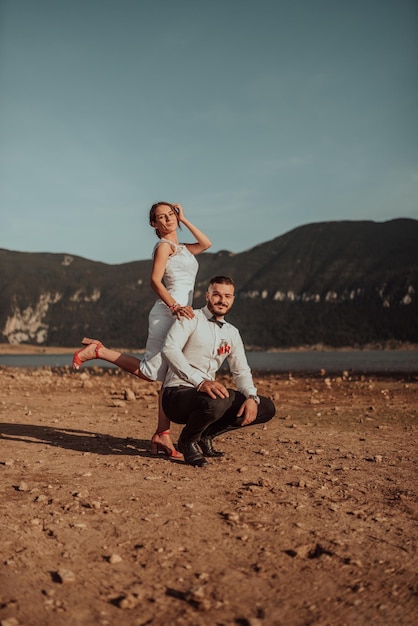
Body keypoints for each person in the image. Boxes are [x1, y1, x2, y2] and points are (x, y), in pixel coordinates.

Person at [72, 202, 212, 458]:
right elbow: (154, 281)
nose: (168, 220)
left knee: (169, 375)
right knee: (151, 373)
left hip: (182, 314)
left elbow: (206, 243)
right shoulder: (163, 247)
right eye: (161, 217)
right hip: (169, 313)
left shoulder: (182, 248)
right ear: (154, 224)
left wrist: (186, 218)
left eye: (171, 215)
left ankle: (163, 434)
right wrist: (175, 307)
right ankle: (99, 351)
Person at [161, 276, 276, 467]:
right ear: (207, 296)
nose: (222, 300)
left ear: (232, 299)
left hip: (207, 396)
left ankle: (205, 435)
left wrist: (251, 397)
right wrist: (200, 381)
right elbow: (169, 349)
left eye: (227, 296)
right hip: (177, 394)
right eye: (217, 295)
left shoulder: (232, 332)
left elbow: (241, 370)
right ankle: (186, 441)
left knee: (266, 407)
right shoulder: (191, 317)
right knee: (218, 399)